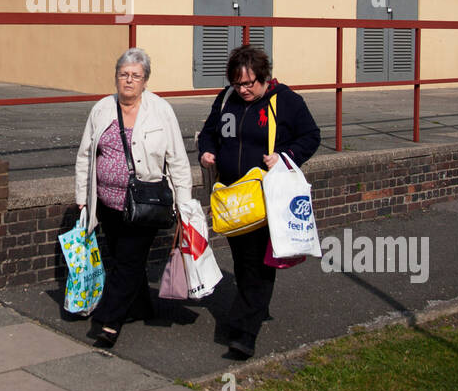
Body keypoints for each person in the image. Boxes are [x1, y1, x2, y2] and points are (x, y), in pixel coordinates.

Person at [197, 44, 320, 359]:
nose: (243, 89)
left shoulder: (287, 102)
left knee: (260, 264)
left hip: (268, 197)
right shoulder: (226, 99)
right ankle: (249, 312)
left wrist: (285, 156)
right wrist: (207, 151)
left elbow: (311, 136)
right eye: (237, 83)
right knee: (242, 261)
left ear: (264, 77)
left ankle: (244, 333)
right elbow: (210, 132)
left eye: (249, 83)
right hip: (233, 198)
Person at [74, 47, 195, 347]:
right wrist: (82, 196)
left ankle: (109, 323)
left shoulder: (161, 110)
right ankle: (141, 307)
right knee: (121, 257)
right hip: (108, 202)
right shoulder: (102, 108)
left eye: (135, 76)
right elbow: (85, 154)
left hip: (145, 203)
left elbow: (177, 158)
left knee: (127, 261)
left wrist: (185, 202)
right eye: (124, 74)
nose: (129, 80)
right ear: (116, 78)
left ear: (145, 80)